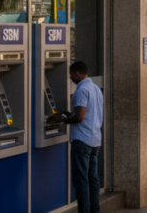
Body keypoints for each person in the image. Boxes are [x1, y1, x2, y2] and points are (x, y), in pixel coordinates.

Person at [50, 62, 103, 213]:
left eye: (72, 74)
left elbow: (79, 117)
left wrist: (61, 120)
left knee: (81, 181)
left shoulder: (82, 89)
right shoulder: (96, 89)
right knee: (93, 179)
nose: (71, 78)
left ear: (78, 73)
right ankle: (95, 210)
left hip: (82, 140)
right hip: (94, 139)